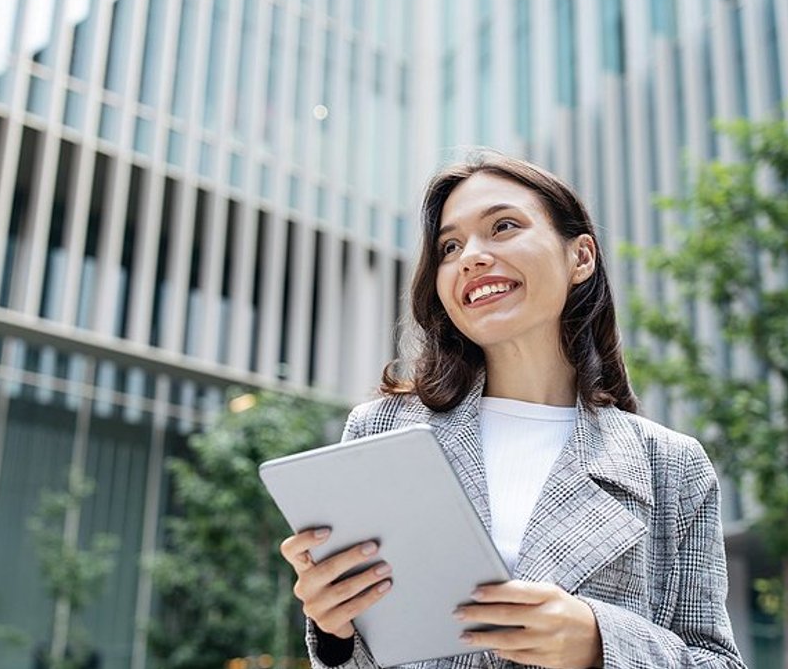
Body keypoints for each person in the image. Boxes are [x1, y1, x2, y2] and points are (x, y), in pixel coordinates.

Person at [278, 153, 746, 668]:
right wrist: (333, 629)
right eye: (449, 246)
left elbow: (717, 661)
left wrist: (599, 642)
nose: (470, 257)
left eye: (503, 226)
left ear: (581, 257)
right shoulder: (380, 431)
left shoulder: (670, 465)